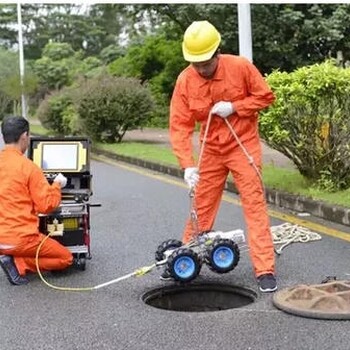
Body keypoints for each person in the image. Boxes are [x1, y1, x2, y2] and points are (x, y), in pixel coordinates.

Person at [168, 21, 277, 292]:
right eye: (196, 64)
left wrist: (236, 107)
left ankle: (264, 269)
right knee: (201, 207)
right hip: (210, 150)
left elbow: (265, 97)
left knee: (254, 205)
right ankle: (184, 260)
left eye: (206, 62)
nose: (202, 69)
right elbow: (179, 125)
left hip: (242, 145)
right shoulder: (185, 80)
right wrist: (187, 165)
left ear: (217, 52)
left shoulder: (240, 67)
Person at [0, 116, 73, 285]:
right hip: (21, 239)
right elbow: (46, 205)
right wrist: (56, 185)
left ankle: (11, 256)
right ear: (25, 136)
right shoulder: (29, 167)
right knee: (66, 258)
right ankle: (20, 262)